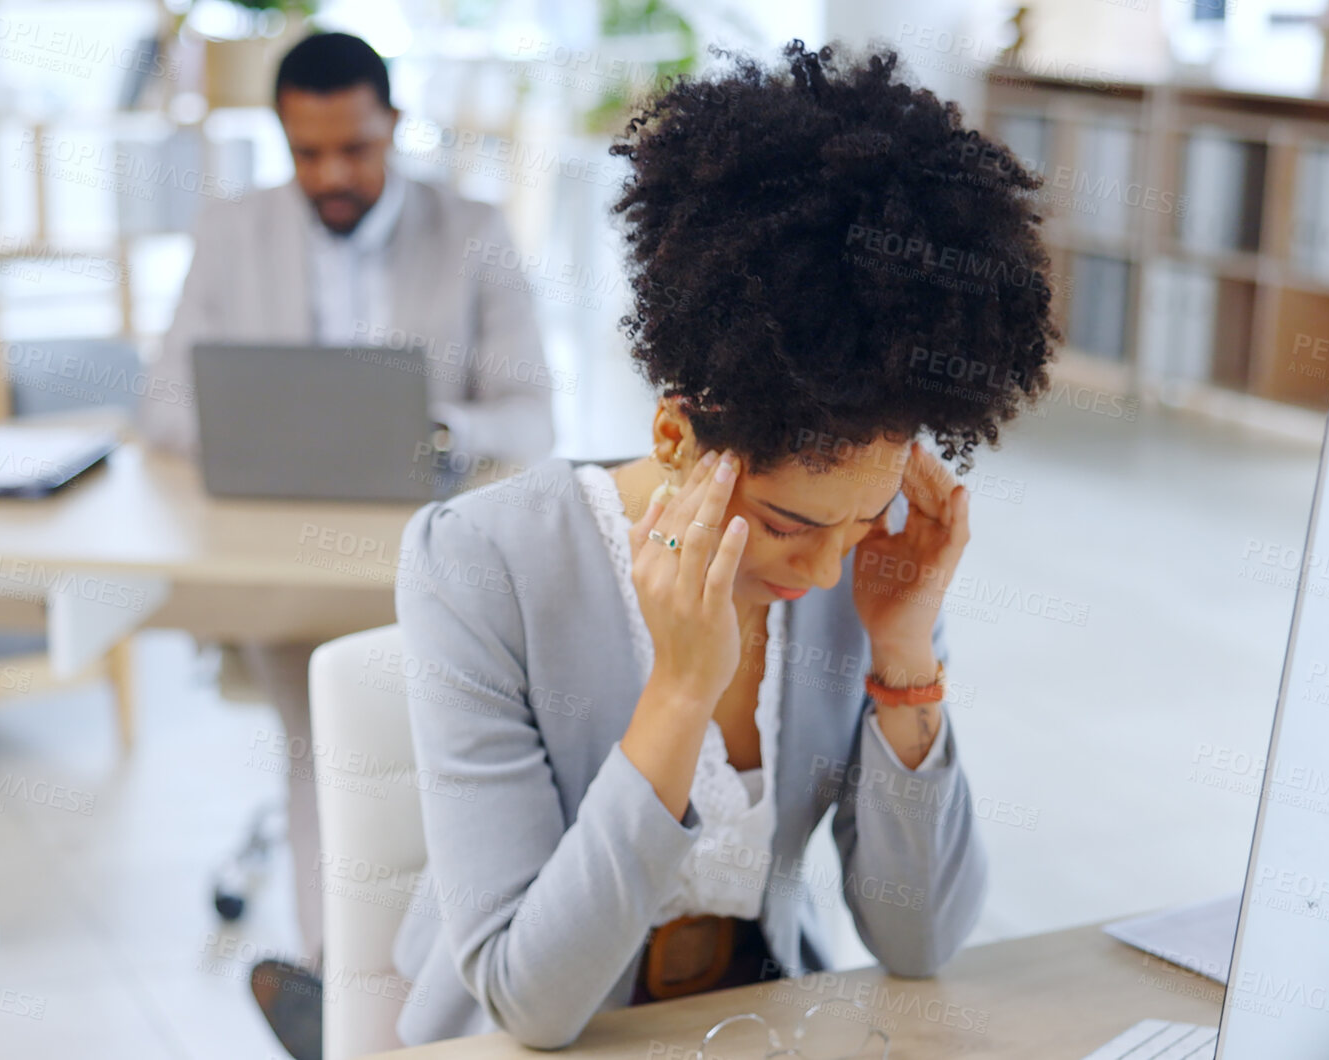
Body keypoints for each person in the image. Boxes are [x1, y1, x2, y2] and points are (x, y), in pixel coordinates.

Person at [389, 43, 1058, 1048]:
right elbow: (531, 1003)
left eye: (858, 518)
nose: (826, 569)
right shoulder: (480, 565)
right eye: (789, 524)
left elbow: (918, 940)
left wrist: (905, 657)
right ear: (673, 435)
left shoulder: (862, 571)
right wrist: (678, 691)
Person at [136, 31, 554, 1057]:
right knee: (330, 742)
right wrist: (280, 429)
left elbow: (534, 414)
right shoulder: (233, 231)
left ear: (394, 129)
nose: (331, 175)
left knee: (452, 753)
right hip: (283, 562)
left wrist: (431, 432)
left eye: (355, 151)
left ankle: (418, 992)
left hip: (431, 554)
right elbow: (160, 404)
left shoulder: (476, 229)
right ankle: (350, 999)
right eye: (306, 152)